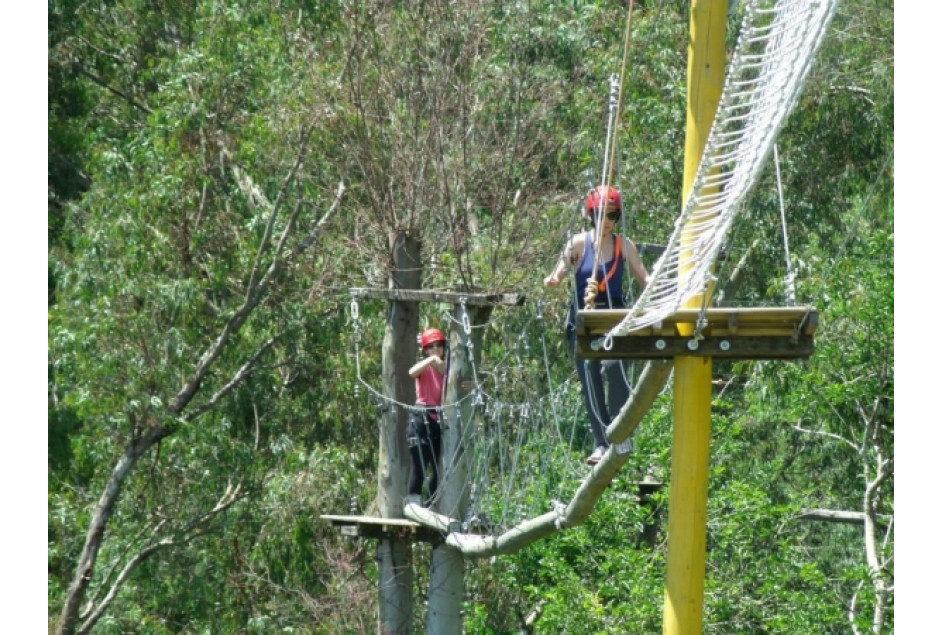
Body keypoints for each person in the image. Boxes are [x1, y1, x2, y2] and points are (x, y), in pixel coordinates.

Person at [543, 185, 650, 465]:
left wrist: (662, 291)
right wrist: (554, 279)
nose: (607, 221)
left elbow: (643, 277)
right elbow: (561, 268)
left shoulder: (623, 245)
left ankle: (619, 428)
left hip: (614, 318)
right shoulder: (578, 243)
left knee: (615, 369)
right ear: (591, 215)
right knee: (590, 377)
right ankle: (600, 442)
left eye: (613, 215)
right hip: (584, 321)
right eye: (602, 214)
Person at [407, 327, 447, 506]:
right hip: (421, 420)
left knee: (440, 469)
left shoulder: (448, 370)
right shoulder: (424, 367)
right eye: (431, 347)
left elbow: (462, 383)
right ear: (425, 350)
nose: (436, 349)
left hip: (438, 421)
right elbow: (411, 372)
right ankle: (413, 505)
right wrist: (431, 359)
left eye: (439, 346)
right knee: (420, 467)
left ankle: (430, 505)